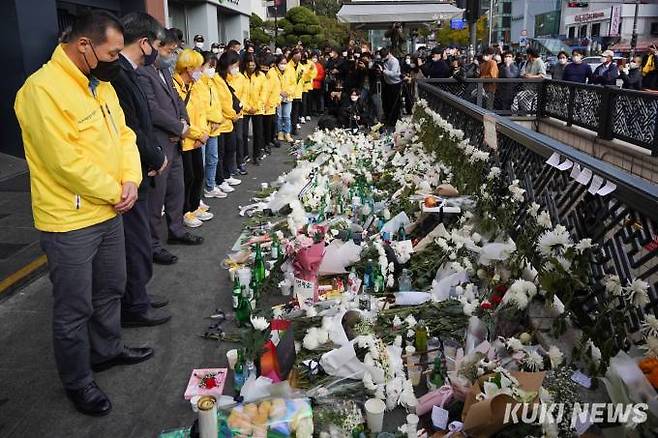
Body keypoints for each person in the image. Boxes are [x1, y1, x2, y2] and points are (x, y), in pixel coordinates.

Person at [14, 10, 152, 416]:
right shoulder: (41, 90)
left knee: (110, 287)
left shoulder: (100, 85)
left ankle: (106, 350)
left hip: (110, 209)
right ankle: (78, 381)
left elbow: (125, 136)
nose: (116, 59)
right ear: (83, 46)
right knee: (74, 307)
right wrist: (116, 191)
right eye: (110, 52)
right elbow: (64, 162)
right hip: (70, 219)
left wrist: (130, 179)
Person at [110, 12, 172, 327]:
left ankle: (139, 296)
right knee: (134, 243)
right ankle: (135, 305)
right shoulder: (119, 74)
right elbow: (130, 129)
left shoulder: (130, 72)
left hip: (140, 168)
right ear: (145, 43)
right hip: (131, 173)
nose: (159, 54)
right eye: (158, 46)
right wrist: (154, 157)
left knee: (141, 238)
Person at [136, 28, 203, 265]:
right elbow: (152, 110)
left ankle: (176, 230)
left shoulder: (164, 70)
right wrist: (179, 128)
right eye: (168, 50)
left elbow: (176, 100)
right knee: (157, 197)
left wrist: (184, 122)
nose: (171, 55)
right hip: (159, 142)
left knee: (177, 189)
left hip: (175, 141)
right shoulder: (143, 73)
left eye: (174, 51)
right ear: (155, 46)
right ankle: (153, 244)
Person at [172, 49, 213, 228]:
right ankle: (185, 211)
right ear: (188, 68)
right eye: (198, 67)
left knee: (198, 175)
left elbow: (201, 111)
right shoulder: (175, 86)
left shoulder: (194, 85)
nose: (201, 71)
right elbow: (180, 118)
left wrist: (204, 134)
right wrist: (198, 134)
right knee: (186, 178)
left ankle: (194, 206)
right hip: (185, 140)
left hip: (197, 139)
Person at [214, 50, 243, 193]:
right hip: (222, 122)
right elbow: (223, 103)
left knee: (230, 149)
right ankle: (220, 179)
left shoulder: (226, 79)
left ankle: (227, 175)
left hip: (229, 122)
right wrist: (233, 115)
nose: (236, 69)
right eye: (234, 66)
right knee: (221, 153)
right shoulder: (218, 80)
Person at [200, 51, 227, 198]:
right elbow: (201, 107)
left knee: (213, 158)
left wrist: (218, 119)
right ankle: (201, 191)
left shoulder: (212, 82)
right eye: (209, 66)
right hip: (203, 128)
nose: (212, 70)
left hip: (215, 126)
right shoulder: (198, 84)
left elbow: (218, 104)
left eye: (214, 66)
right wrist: (215, 119)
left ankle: (210, 186)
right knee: (202, 162)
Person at [241, 54, 266, 164]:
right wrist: (247, 107)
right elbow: (239, 94)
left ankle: (256, 154)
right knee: (243, 134)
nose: (251, 66)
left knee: (258, 133)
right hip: (244, 109)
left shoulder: (261, 76)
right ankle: (245, 154)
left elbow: (264, 94)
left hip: (257, 109)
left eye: (253, 64)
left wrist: (256, 107)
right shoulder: (241, 76)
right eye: (249, 64)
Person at [275, 54, 296, 143]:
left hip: (288, 97)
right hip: (277, 97)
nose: (283, 65)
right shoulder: (273, 71)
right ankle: (279, 132)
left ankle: (287, 132)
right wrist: (279, 92)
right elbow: (272, 84)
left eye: (284, 63)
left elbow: (293, 83)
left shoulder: (290, 71)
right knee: (279, 116)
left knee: (287, 116)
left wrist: (287, 92)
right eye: (281, 63)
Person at [379, 47, 402, 127]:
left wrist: (383, 71)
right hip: (387, 84)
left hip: (395, 84)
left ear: (388, 54)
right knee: (386, 103)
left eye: (385, 56)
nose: (384, 58)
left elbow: (393, 73)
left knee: (394, 104)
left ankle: (394, 121)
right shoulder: (383, 60)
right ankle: (387, 119)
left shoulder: (394, 61)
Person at [261, 55, 280, 150]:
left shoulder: (273, 75)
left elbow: (275, 91)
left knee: (269, 126)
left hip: (270, 106)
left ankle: (268, 142)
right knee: (262, 127)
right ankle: (263, 143)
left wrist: (270, 104)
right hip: (260, 105)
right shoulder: (260, 74)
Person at [287, 48, 305, 134]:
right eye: (296, 54)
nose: (298, 57)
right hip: (288, 92)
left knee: (295, 112)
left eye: (299, 55)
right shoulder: (287, 65)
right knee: (287, 113)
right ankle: (287, 129)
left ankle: (293, 128)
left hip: (297, 92)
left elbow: (304, 79)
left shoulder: (301, 67)